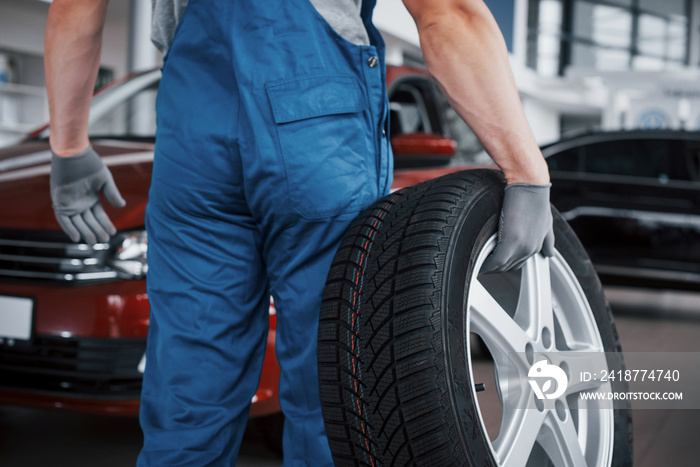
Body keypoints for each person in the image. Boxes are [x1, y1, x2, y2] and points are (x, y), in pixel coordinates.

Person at [45, 0, 554, 464]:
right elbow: (448, 13)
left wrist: (68, 147)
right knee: (332, 390)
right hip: (314, 121)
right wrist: (526, 171)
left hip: (191, 135)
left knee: (187, 395)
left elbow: (75, 5)